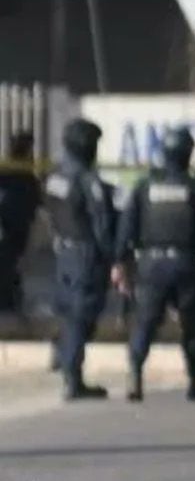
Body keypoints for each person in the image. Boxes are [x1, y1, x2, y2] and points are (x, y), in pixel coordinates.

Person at [115, 127, 195, 403]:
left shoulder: (145, 186)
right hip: (186, 264)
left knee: (145, 323)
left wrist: (119, 263)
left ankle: (135, 374)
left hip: (150, 265)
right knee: (192, 325)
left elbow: (126, 227)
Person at [44, 119, 116, 401]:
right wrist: (114, 258)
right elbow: (102, 224)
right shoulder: (88, 181)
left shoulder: (55, 176)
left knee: (68, 310)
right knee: (81, 315)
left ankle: (63, 354)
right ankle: (73, 380)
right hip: (85, 255)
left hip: (63, 251)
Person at [0, 132, 41, 317]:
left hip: (15, 227)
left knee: (11, 265)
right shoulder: (16, 173)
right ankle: (8, 301)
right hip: (10, 227)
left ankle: (10, 300)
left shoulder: (23, 174)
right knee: (9, 265)